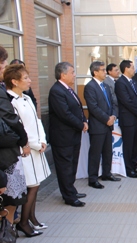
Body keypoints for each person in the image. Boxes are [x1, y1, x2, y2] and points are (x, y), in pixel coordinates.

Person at [4, 64, 51, 237]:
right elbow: (20, 128)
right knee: (31, 186)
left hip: (36, 147)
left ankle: (31, 218)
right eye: (26, 78)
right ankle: (23, 223)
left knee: (36, 184)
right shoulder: (10, 101)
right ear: (14, 81)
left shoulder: (26, 98)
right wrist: (35, 144)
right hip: (25, 150)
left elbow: (37, 121)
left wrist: (43, 140)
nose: (30, 81)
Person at [0, 45, 27, 243]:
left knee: (11, 204)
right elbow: (12, 125)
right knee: (7, 205)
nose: (4, 67)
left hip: (8, 157)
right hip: (4, 159)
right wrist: (22, 138)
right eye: (1, 63)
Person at [48, 62, 88, 207]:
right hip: (63, 137)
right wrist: (80, 124)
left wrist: (84, 120)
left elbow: (78, 107)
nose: (74, 75)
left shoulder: (69, 90)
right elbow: (64, 114)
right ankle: (69, 196)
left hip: (73, 135)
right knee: (65, 167)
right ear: (63, 75)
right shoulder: (57, 91)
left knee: (72, 164)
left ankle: (71, 189)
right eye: (72, 72)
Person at [84, 61, 120, 189]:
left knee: (107, 151)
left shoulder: (105, 86)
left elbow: (112, 103)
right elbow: (93, 108)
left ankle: (106, 173)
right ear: (95, 72)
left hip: (108, 124)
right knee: (95, 153)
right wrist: (106, 119)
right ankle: (93, 179)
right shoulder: (90, 87)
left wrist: (113, 116)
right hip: (98, 125)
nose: (105, 72)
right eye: (103, 70)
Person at [114, 60, 137, 178]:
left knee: (136, 144)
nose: (135, 70)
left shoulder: (133, 82)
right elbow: (127, 102)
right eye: (133, 67)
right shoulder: (120, 83)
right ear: (126, 69)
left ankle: (134, 165)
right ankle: (129, 169)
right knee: (129, 145)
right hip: (128, 119)